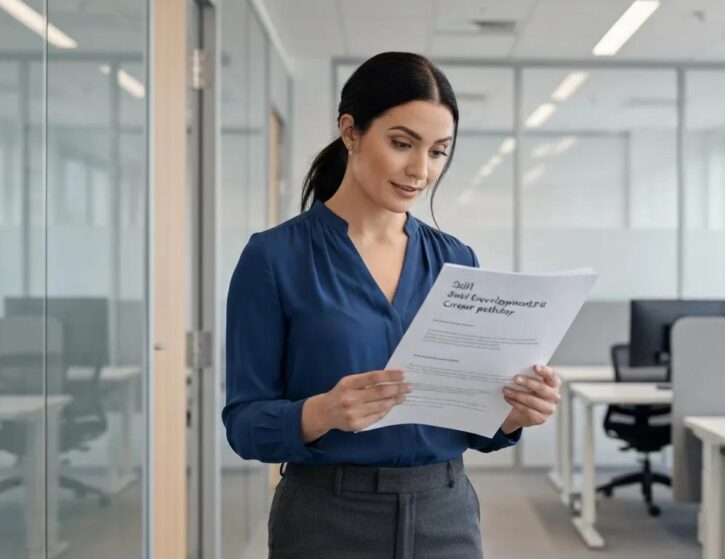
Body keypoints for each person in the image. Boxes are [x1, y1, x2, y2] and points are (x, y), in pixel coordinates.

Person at [222, 52, 562, 558]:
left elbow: (473, 422)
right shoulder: (274, 257)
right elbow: (244, 424)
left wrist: (512, 413)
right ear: (351, 131)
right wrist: (322, 412)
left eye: (438, 152)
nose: (420, 170)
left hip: (444, 513)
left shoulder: (456, 260)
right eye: (402, 144)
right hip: (324, 517)